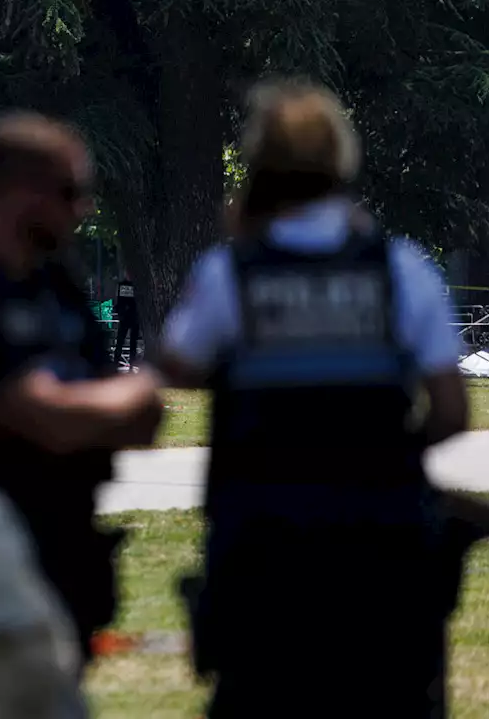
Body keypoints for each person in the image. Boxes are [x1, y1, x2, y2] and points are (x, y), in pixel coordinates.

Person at [156, 80, 471, 718]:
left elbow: (177, 366)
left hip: (263, 558)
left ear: (261, 165)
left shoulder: (232, 273)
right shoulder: (400, 269)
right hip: (381, 555)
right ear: (340, 162)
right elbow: (450, 410)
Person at [0, 112, 163, 671]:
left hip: (63, 570)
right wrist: (120, 399)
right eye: (70, 192)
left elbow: (144, 420)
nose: (82, 208)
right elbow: (47, 417)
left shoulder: (57, 291)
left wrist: (100, 405)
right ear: (16, 191)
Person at [112, 270, 139, 366]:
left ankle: (131, 364)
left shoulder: (137, 285)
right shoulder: (123, 285)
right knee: (120, 341)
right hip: (126, 317)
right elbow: (119, 300)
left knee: (132, 342)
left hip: (133, 317)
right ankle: (116, 362)